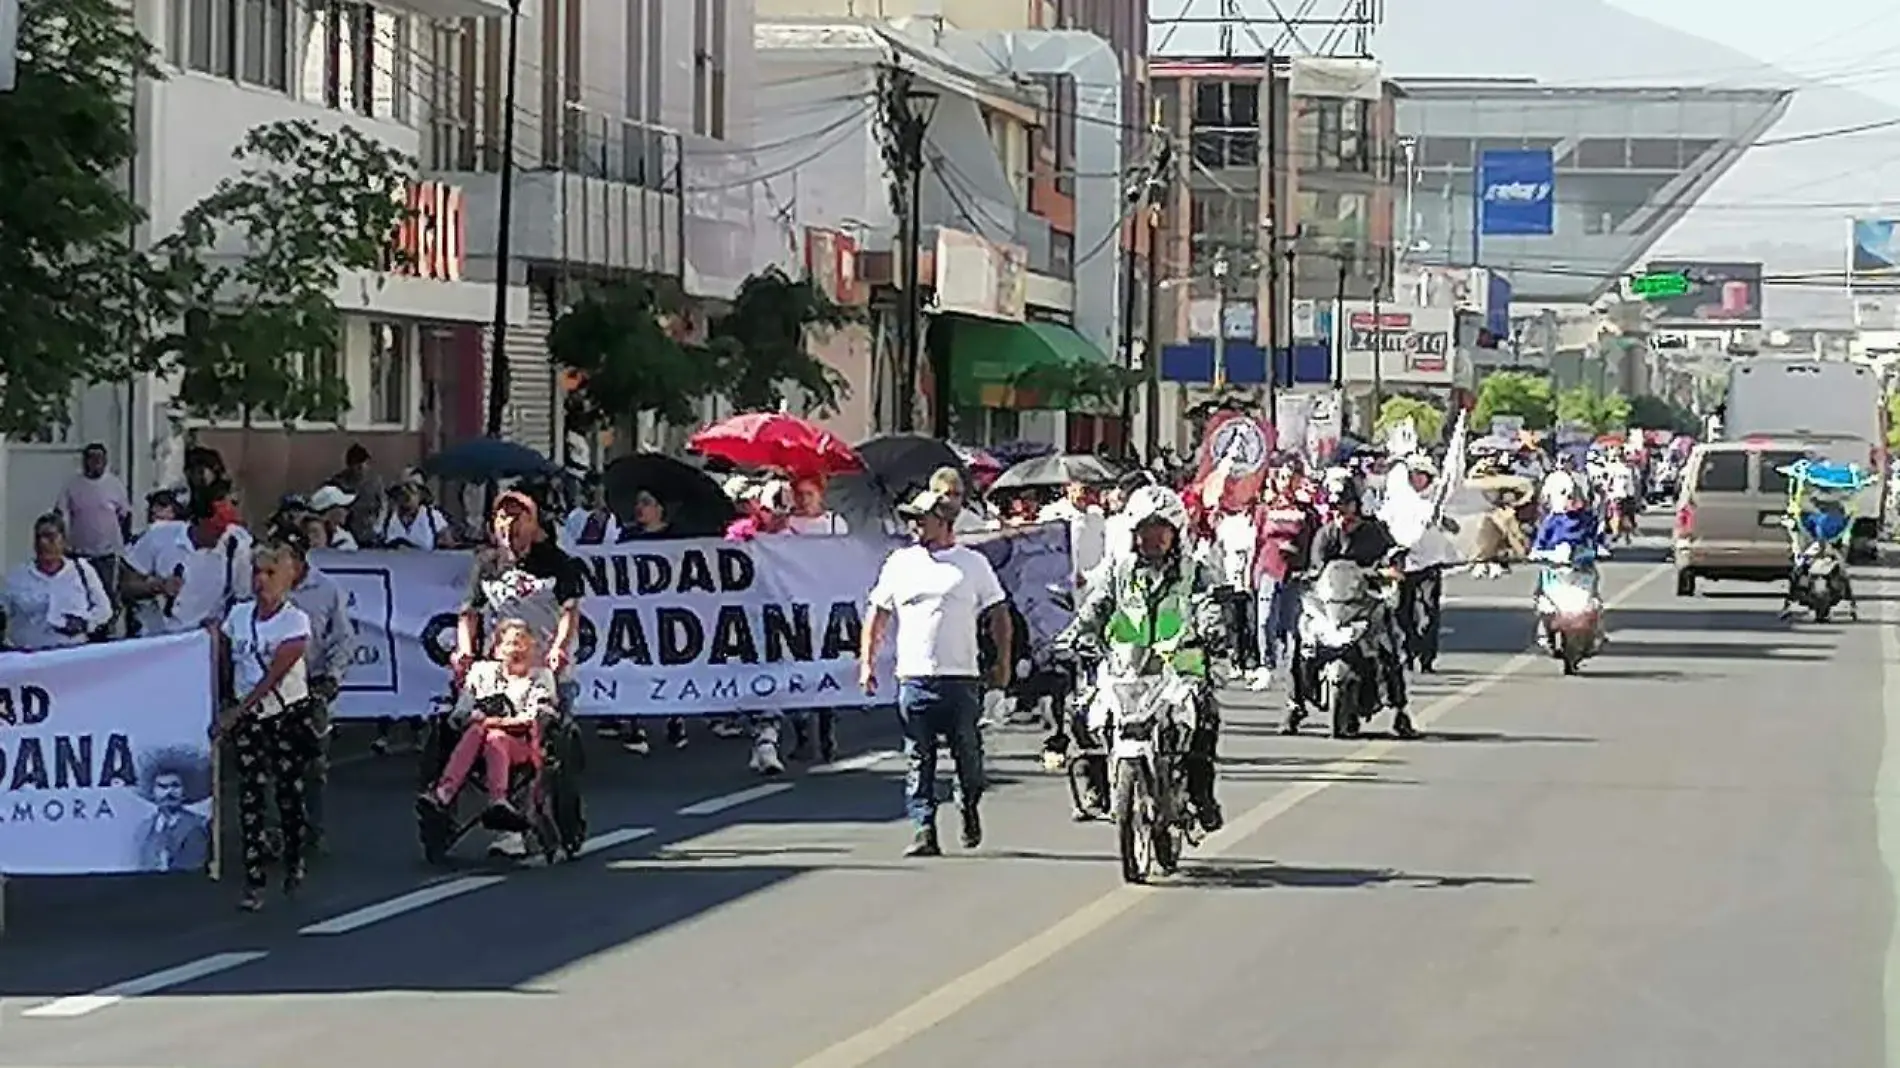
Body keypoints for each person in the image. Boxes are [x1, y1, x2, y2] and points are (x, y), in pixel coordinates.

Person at [1059, 485, 1226, 827]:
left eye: (1160, 532)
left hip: (1180, 661)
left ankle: (1201, 793)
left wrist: (1213, 628)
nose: (1152, 540)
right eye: (1145, 532)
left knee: (1204, 713)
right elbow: (1097, 605)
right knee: (1082, 710)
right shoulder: (1118, 573)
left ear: (1175, 534)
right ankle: (1096, 787)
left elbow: (1206, 603)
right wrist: (1076, 633)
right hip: (1125, 661)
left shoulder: (1194, 572)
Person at [860, 488, 1011, 857]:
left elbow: (999, 614)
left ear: (944, 522)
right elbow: (878, 612)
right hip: (914, 677)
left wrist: (1003, 661)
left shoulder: (972, 564)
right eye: (911, 519)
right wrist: (867, 661)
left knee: (967, 754)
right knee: (918, 756)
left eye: (922, 519)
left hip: (961, 676)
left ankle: (968, 804)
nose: (914, 526)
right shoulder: (900, 563)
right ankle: (923, 826)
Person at [454, 489, 585, 857]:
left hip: (544, 671)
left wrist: (560, 647)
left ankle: (526, 825)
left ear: (534, 523)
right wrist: (464, 649)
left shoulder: (557, 564)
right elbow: (469, 613)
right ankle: (455, 799)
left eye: (517, 517)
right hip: (498, 671)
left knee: (538, 746)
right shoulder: (488, 565)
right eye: (502, 518)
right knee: (482, 734)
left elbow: (570, 612)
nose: (509, 525)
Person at [217, 542, 317, 911]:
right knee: (250, 796)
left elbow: (276, 673)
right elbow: (225, 660)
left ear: (287, 577)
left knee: (288, 793)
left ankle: (294, 859)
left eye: (270, 573)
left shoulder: (295, 621)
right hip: (249, 719)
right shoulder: (238, 616)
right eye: (257, 572)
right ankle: (254, 878)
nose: (262, 581)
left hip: (284, 713)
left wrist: (238, 710)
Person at [1304, 485, 1415, 738]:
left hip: (1367, 601)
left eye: (1345, 504)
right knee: (1303, 645)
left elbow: (1391, 556)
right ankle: (1295, 704)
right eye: (1335, 507)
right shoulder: (1325, 535)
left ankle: (1400, 712)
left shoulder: (1374, 532)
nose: (1341, 512)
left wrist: (1389, 569)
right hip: (1332, 606)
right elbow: (1317, 569)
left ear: (1356, 505)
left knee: (1389, 650)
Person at [420, 618, 556, 822]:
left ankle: (497, 798)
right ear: (498, 649)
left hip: (522, 744)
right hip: (476, 743)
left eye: (522, 643)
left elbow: (534, 717)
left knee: (494, 736)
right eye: (510, 644)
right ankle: (444, 792)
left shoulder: (541, 676)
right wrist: (470, 717)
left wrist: (494, 723)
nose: (516, 650)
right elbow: (460, 713)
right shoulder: (481, 672)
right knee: (477, 730)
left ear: (532, 647)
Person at [276, 527, 355, 853]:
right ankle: (277, 829)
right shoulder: (265, 585)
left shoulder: (326, 589)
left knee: (312, 762)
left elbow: (343, 639)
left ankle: (313, 827)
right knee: (274, 760)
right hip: (274, 685)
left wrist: (333, 677)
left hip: (313, 684)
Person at [122, 491, 252, 635]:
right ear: (199, 520)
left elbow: (242, 600)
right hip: (156, 637)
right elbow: (126, 585)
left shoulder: (235, 548)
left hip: (203, 640)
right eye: (215, 528)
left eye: (224, 528)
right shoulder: (160, 535)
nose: (221, 534)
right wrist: (158, 586)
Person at [1380, 455, 1458, 674]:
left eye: (1420, 475)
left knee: (1429, 612)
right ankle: (1407, 650)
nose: (1416, 479)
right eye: (1412, 474)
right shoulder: (1397, 500)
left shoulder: (1436, 500)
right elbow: (1384, 524)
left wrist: (1442, 521)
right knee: (1399, 612)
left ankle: (1426, 657)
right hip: (1403, 564)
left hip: (1429, 564)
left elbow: (1454, 528)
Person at [0, 513, 114, 650]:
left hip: (71, 652)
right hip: (28, 654)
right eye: (38, 537)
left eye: (50, 537)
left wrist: (85, 624)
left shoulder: (82, 571)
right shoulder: (17, 577)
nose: (43, 543)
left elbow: (104, 609)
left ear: (63, 541)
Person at [57, 443, 132, 637]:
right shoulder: (72, 485)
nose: (95, 462)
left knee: (108, 595)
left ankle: (106, 633)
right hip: (80, 553)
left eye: (99, 458)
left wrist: (123, 543)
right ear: (84, 461)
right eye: (91, 458)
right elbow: (60, 514)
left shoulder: (114, 484)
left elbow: (125, 514)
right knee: (82, 596)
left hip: (107, 553)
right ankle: (85, 633)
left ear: (105, 462)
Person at [1530, 488, 1606, 646]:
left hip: (1582, 567)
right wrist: (1536, 551)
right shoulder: (1553, 520)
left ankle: (1598, 631)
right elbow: (1541, 540)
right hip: (1555, 567)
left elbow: (1597, 539)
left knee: (1594, 601)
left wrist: (1598, 549)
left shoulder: (1588, 520)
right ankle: (1544, 632)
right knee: (1542, 599)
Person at [134, 746, 213, 872]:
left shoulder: (199, 826)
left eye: (175, 786)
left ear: (185, 789)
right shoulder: (144, 829)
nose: (169, 792)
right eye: (162, 787)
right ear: (153, 790)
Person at [328, 444, 384, 546]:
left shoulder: (374, 482)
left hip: (369, 535)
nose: (361, 467)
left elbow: (383, 506)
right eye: (357, 463)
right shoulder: (338, 482)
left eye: (365, 463)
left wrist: (378, 524)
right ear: (349, 465)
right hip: (345, 536)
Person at [379, 477, 452, 550]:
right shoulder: (388, 519)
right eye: (400, 493)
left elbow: (447, 543)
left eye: (411, 491)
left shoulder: (431, 516)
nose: (406, 496)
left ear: (420, 496)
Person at [308, 485, 361, 551]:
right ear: (330, 510)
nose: (347, 512)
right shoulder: (306, 535)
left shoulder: (344, 537)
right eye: (344, 507)